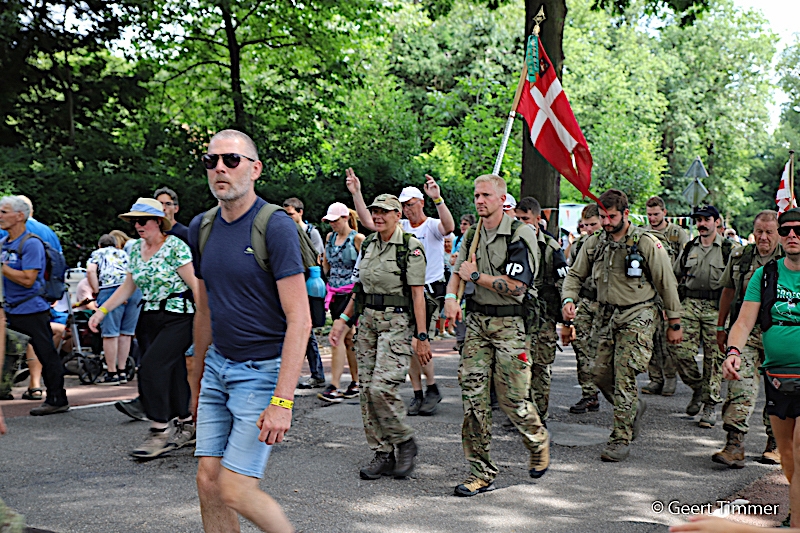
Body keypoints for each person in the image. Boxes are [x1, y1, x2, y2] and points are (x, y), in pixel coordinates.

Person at [189, 129, 310, 533]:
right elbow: (205, 309)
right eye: (211, 161)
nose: (220, 168)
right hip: (217, 369)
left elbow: (300, 319)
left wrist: (283, 401)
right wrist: (196, 378)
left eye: (231, 160)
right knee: (208, 481)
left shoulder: (275, 226)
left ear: (255, 169)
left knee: (236, 489)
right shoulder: (201, 227)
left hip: (261, 372)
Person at [444, 174, 549, 496]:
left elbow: (517, 286)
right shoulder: (473, 233)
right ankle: (481, 471)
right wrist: (451, 298)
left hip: (509, 324)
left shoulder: (520, 233)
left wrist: (476, 276)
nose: (479, 200)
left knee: (513, 399)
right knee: (473, 398)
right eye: (477, 195)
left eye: (486, 195)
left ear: (502, 200)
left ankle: (537, 441)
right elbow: (458, 273)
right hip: (477, 322)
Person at [562, 189, 683, 462]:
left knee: (624, 374)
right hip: (605, 315)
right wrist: (568, 299)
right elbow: (575, 275)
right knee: (597, 373)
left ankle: (620, 438)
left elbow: (666, 282)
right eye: (602, 217)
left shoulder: (646, 243)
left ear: (626, 214)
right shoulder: (594, 243)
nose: (606, 222)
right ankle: (632, 407)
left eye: (612, 217)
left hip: (638, 313)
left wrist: (674, 322)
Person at [329, 193, 431, 481]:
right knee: (365, 391)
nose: (377, 216)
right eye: (375, 211)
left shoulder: (410, 247)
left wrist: (422, 336)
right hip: (368, 323)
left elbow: (418, 295)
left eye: (384, 212)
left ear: (398, 215)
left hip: (397, 323)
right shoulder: (369, 244)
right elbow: (359, 288)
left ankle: (404, 440)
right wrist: (343, 320)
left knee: (381, 387)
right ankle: (383, 453)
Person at [89, 197, 197, 458]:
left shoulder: (175, 246)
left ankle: (158, 431)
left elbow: (197, 286)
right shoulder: (135, 249)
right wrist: (102, 311)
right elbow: (129, 286)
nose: (138, 226)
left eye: (143, 220)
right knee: (174, 371)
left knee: (150, 367)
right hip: (149, 317)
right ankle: (187, 424)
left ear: (158, 222)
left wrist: (210, 323)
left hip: (179, 317)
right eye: (134, 221)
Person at [348, 170, 455, 417]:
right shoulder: (401, 226)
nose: (408, 210)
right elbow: (368, 221)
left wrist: (438, 198)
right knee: (407, 345)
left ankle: (431, 387)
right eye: (404, 206)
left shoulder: (431, 226)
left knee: (419, 341)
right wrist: (356, 193)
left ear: (421, 203)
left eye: (411, 204)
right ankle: (418, 392)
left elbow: (448, 226)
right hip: (404, 293)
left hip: (428, 292)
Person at [722, 207, 800, 528]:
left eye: (799, 230)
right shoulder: (765, 275)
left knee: (799, 450)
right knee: (787, 457)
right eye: (786, 230)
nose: (792, 235)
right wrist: (733, 351)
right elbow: (743, 321)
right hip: (777, 377)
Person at [713, 210, 782, 468]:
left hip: (778, 334)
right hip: (746, 332)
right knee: (739, 386)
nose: (763, 237)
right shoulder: (740, 256)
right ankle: (734, 444)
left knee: (779, 389)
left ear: (779, 234)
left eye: (769, 232)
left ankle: (775, 443)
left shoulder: (790, 260)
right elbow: (728, 291)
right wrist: (721, 326)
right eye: (759, 232)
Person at [0, 196, 69, 416]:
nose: (0, 216)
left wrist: (2, 267)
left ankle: (57, 398)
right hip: (10, 308)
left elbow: (28, 279)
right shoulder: (5, 243)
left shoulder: (31, 243)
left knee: (45, 353)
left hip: (31, 309)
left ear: (19, 216)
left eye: (4, 212)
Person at [674, 204, 731, 428]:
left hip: (716, 307)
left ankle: (709, 404)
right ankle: (698, 387)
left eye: (706, 220)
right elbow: (675, 275)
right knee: (679, 351)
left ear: (717, 222)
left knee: (714, 358)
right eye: (699, 220)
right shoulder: (690, 247)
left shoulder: (728, 249)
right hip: (689, 303)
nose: (702, 224)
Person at [514, 197, 568, 423]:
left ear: (538, 219)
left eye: (525, 219)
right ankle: (522, 411)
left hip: (543, 316)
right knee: (517, 365)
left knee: (540, 367)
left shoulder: (550, 247)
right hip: (517, 314)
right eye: (517, 218)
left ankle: (539, 415)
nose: (521, 223)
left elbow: (563, 282)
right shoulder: (511, 243)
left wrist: (567, 319)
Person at [642, 195, 691, 397]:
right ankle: (655, 378)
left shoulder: (677, 234)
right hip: (648, 292)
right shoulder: (643, 233)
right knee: (650, 337)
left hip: (670, 290)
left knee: (667, 338)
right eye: (649, 214)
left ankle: (670, 378)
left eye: (656, 214)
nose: (652, 218)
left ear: (664, 213)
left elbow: (686, 261)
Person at [316, 203, 364, 402]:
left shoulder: (358, 239)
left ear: (345, 218)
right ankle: (357, 381)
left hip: (351, 295)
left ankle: (334, 386)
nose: (332, 224)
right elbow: (327, 264)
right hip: (334, 293)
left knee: (337, 335)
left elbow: (365, 267)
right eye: (330, 221)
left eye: (335, 220)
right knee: (348, 338)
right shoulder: (330, 238)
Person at [282, 196, 327, 392]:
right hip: (292, 285)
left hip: (307, 286)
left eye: (291, 214)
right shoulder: (285, 232)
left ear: (300, 212)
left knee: (306, 331)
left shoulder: (310, 232)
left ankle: (317, 374)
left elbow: (316, 260)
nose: (288, 218)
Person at [87, 234, 142, 385]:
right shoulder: (124, 253)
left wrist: (96, 290)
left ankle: (112, 372)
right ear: (116, 245)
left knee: (110, 333)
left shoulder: (97, 254)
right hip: (134, 290)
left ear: (99, 245)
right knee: (126, 333)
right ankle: (122, 370)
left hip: (110, 289)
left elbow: (91, 271)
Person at [563, 204, 603, 414]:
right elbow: (574, 276)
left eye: (593, 224)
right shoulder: (579, 245)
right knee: (581, 346)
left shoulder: (612, 243)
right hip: (586, 301)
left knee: (606, 350)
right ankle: (589, 394)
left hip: (609, 303)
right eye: (584, 225)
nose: (588, 229)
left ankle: (621, 397)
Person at [451, 214, 476, 352]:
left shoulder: (475, 239)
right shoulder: (457, 239)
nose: (462, 226)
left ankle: (469, 337)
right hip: (457, 278)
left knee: (467, 307)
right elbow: (452, 258)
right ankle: (460, 338)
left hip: (470, 280)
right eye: (461, 223)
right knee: (457, 306)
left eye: (465, 224)